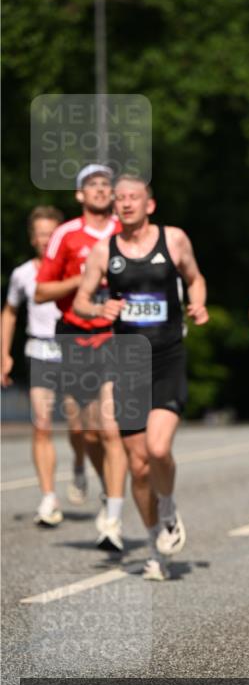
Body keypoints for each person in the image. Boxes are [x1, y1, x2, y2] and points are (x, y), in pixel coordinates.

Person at [74, 174, 208, 580]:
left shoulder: (175, 239)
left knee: (158, 447)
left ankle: (167, 508)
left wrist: (198, 305)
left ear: (149, 204)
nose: (126, 203)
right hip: (127, 361)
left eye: (134, 198)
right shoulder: (104, 250)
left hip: (167, 356)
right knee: (137, 463)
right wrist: (99, 311)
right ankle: (155, 547)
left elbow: (195, 279)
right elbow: (81, 299)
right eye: (120, 199)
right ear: (114, 206)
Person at [34, 164, 127, 550]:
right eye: (93, 184)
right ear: (79, 194)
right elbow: (41, 292)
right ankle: (107, 489)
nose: (102, 189)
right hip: (74, 335)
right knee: (85, 433)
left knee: (110, 428)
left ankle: (113, 517)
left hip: (117, 337)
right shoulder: (66, 235)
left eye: (107, 184)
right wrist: (86, 278)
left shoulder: (127, 231)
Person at [1, 206, 88, 525]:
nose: (45, 239)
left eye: (51, 234)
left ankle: (79, 464)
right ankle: (49, 498)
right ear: (32, 238)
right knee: (41, 424)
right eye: (40, 234)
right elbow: (9, 312)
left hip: (74, 349)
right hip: (39, 348)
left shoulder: (76, 270)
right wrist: (4, 354)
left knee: (77, 426)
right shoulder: (23, 274)